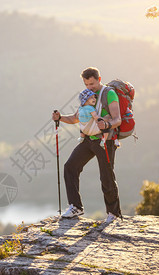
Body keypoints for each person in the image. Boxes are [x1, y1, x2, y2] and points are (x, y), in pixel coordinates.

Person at [52, 67, 123, 223]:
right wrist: (60, 117)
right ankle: (76, 207)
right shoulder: (87, 96)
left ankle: (114, 214)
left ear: (99, 79)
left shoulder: (109, 93)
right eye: (86, 84)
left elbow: (117, 119)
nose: (90, 87)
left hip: (105, 140)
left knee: (106, 175)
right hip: (89, 140)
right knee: (70, 166)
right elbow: (75, 119)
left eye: (92, 83)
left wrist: (107, 124)